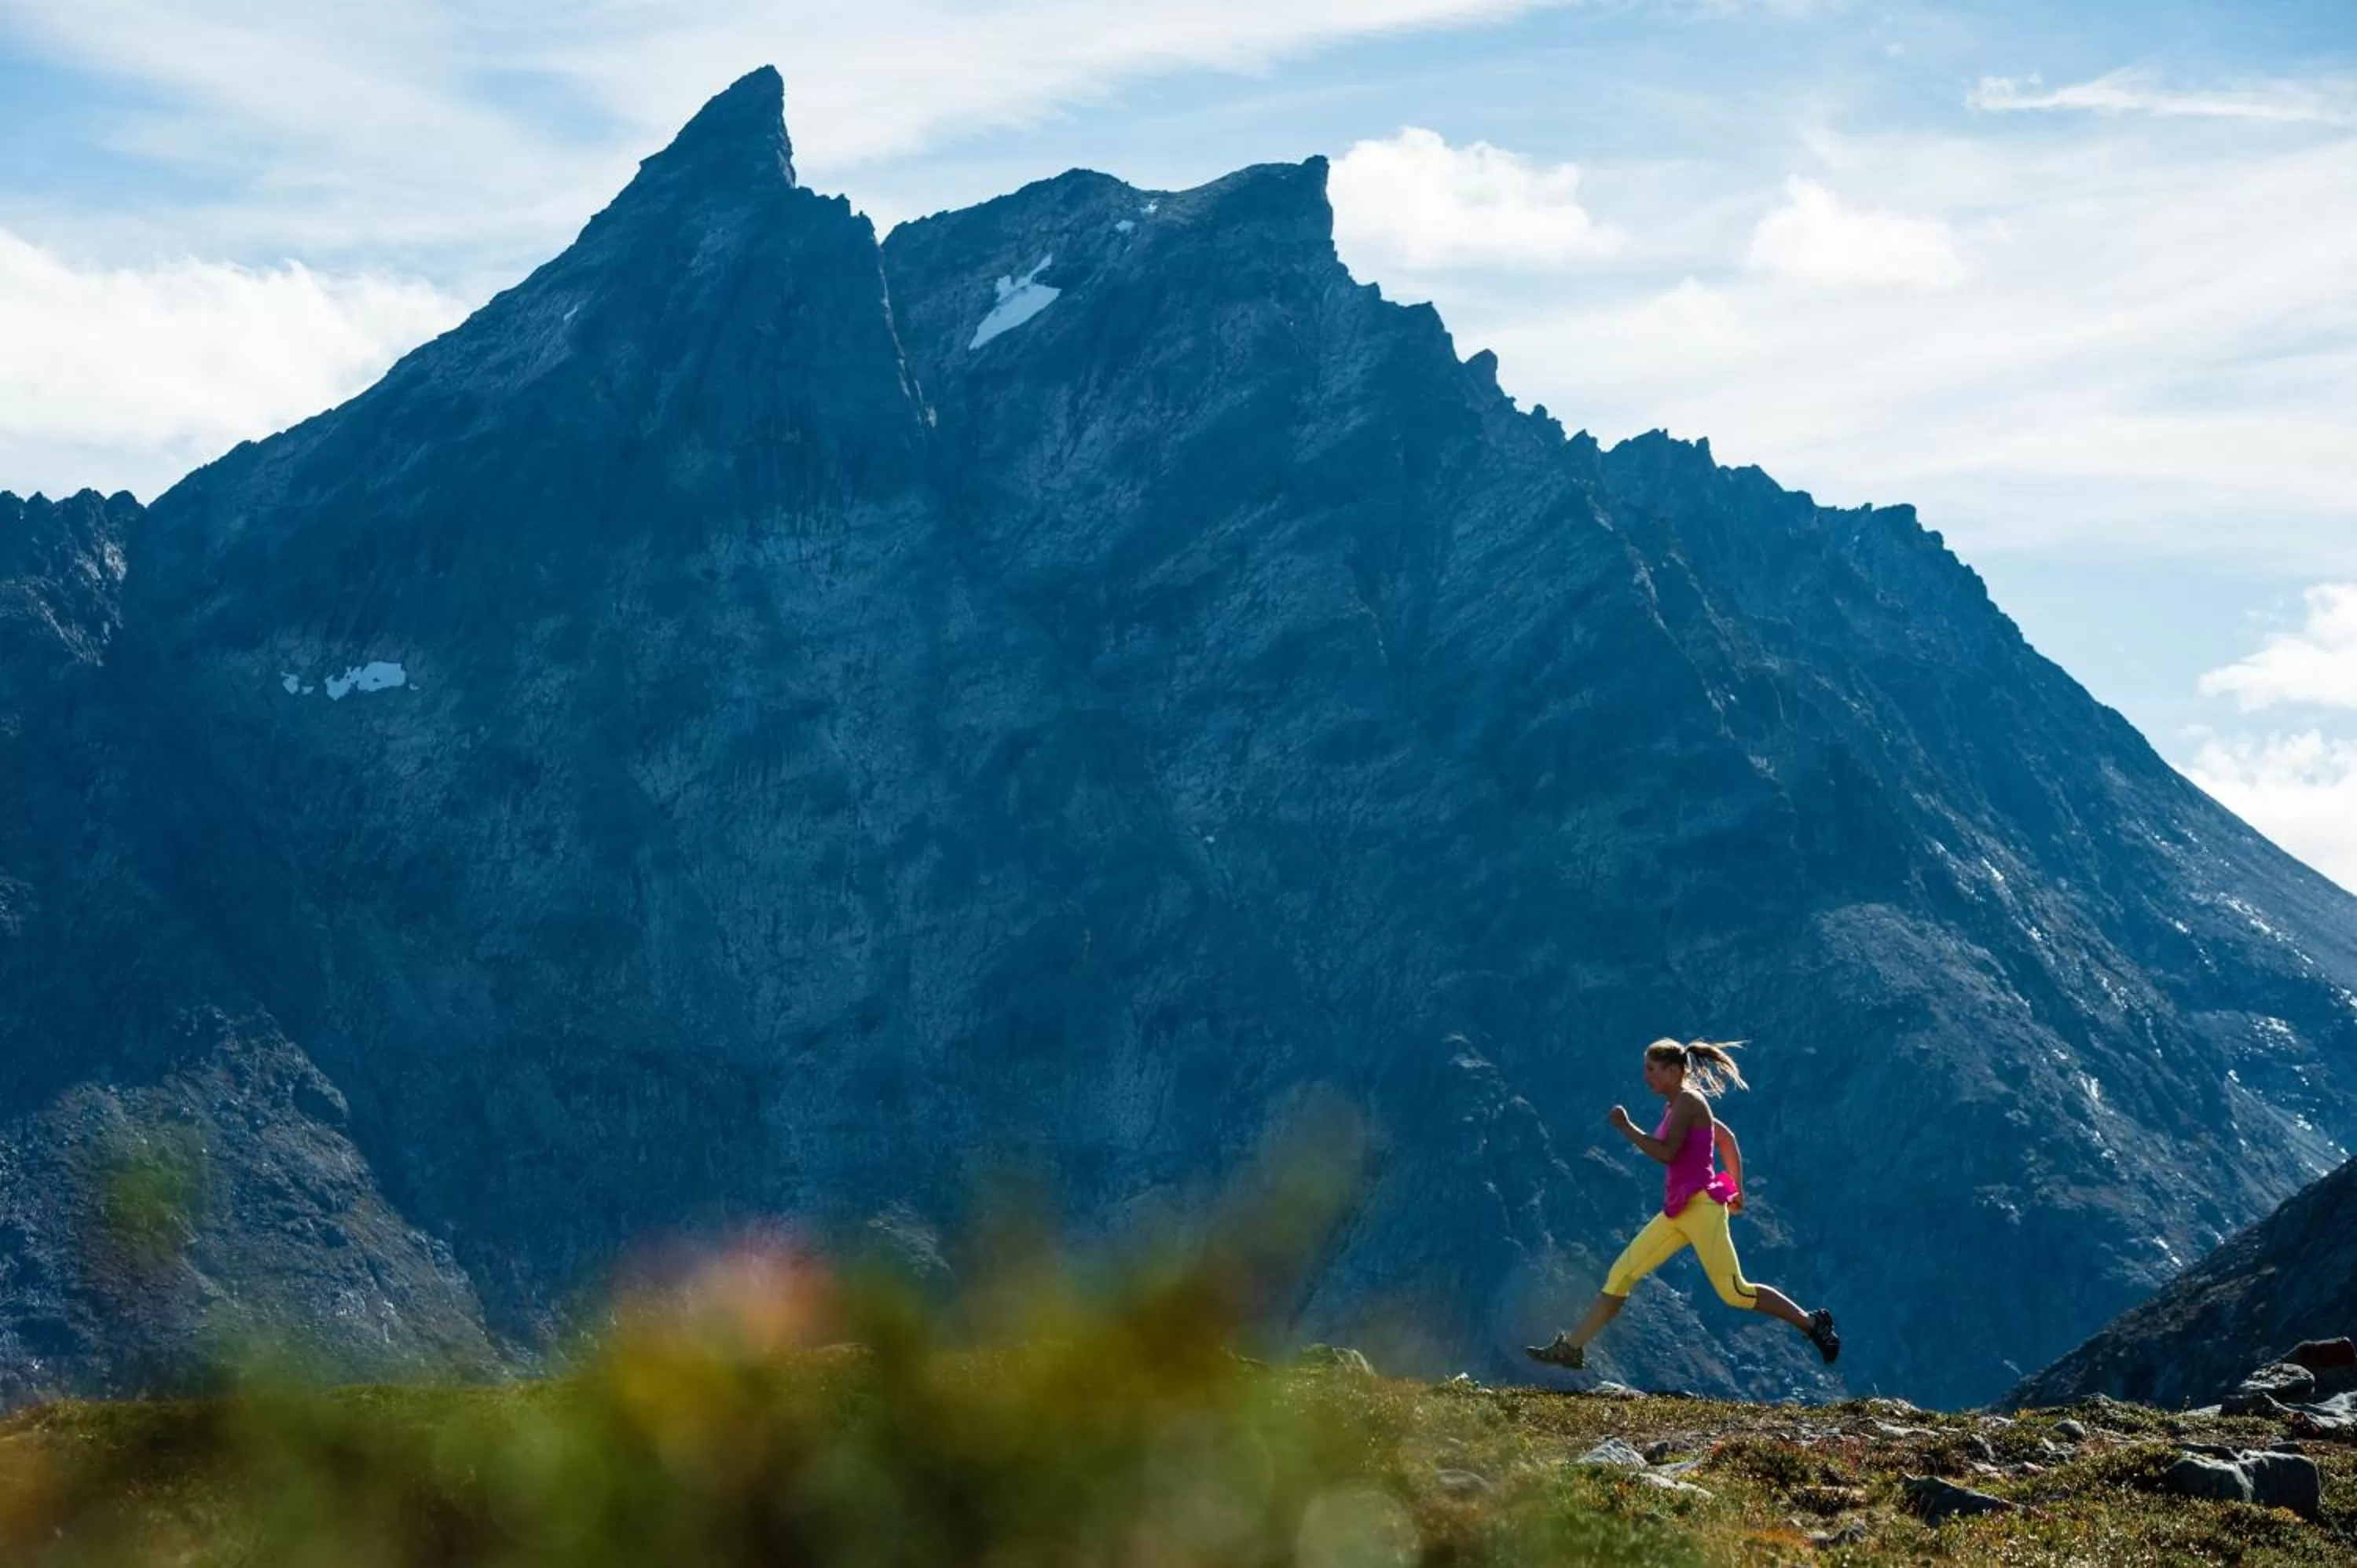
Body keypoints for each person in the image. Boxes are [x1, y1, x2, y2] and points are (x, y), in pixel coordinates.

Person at [1527, 1038, 1838, 1371]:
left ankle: (1811, 1323)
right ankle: (1572, 1349)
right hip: (1679, 1209)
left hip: (1702, 1208)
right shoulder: (1676, 1106)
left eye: (1652, 1069)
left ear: (1674, 1071)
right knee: (1621, 1274)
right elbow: (1725, 1138)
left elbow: (1668, 1153)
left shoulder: (1690, 1101)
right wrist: (1738, 1189)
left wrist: (1626, 1128)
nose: (1646, 1077)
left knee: (1735, 1292)